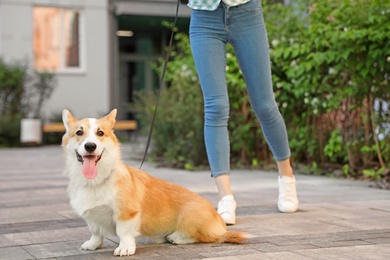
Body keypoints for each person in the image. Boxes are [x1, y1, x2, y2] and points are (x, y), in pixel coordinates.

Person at [187, 0, 299, 225]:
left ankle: (286, 176)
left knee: (265, 105)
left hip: (246, 12)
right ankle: (225, 197)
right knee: (216, 106)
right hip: (204, 16)